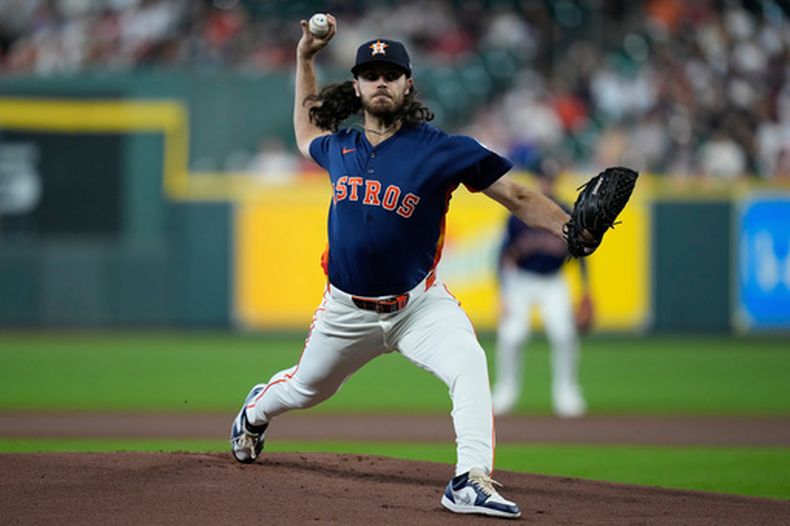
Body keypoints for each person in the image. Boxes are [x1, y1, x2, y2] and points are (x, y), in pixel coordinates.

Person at [230, 15, 579, 520]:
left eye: (390, 74)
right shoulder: (340, 146)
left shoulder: (444, 150)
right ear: (357, 86)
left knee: (469, 361)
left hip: (419, 306)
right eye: (370, 75)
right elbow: (306, 130)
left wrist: (570, 229)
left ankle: (470, 478)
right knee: (307, 388)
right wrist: (305, 58)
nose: (381, 82)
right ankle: (254, 413)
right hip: (346, 310)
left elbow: (518, 196)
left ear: (407, 84)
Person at [491, 165, 593, 418]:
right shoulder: (519, 212)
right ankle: (505, 392)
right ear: (537, 179)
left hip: (552, 280)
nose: (546, 182)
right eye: (543, 178)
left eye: (549, 178)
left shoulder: (567, 211)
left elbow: (581, 255)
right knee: (512, 335)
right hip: (521, 280)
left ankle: (566, 393)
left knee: (564, 334)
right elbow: (502, 255)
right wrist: (503, 293)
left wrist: (585, 290)